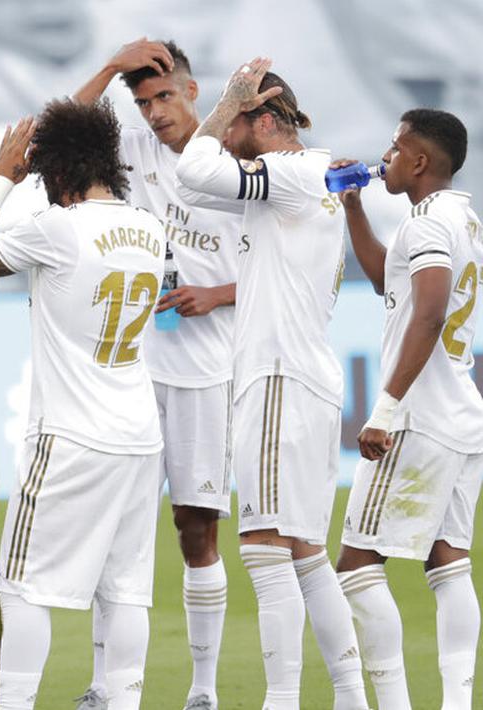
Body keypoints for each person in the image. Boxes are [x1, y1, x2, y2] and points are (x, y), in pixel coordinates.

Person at [0, 99, 166, 710]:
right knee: (126, 591)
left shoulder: (59, 227)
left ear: (62, 171)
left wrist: (2, 178)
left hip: (70, 434)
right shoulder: (149, 226)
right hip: (138, 434)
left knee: (21, 585)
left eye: (45, 175)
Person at [174, 58, 367, 710]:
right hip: (305, 375)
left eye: (236, 119)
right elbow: (196, 188)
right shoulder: (310, 176)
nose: (224, 133)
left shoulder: (289, 173)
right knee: (306, 554)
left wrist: (225, 101)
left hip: (278, 376)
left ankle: (280, 700)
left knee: (262, 549)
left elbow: (193, 170)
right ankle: (350, 698)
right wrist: (228, 112)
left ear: (260, 119)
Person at [71, 39, 239, 710]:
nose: (154, 112)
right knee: (116, 533)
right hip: (132, 372)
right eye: (142, 103)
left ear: (192, 92)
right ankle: (101, 685)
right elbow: (59, 133)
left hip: (206, 371)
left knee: (196, 530)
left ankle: (203, 690)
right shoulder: (131, 153)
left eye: (164, 96)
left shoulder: (232, 165)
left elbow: (284, 268)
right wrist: (111, 67)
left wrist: (217, 294)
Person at [333, 109, 483, 710]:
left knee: (355, 563)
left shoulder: (426, 224)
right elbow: (384, 281)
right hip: (461, 414)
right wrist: (353, 208)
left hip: (418, 418)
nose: (386, 157)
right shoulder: (461, 216)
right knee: (448, 563)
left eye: (395, 148)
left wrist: (386, 408)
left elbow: (429, 312)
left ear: (419, 161)